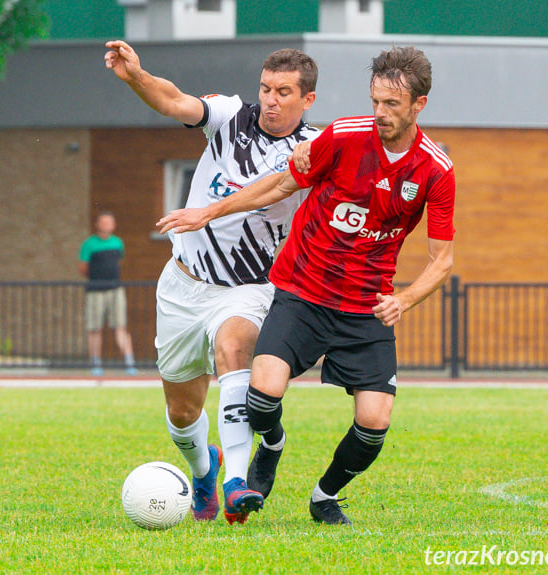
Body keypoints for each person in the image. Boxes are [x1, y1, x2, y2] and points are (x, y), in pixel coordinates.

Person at [158, 46, 455, 525]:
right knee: (262, 393)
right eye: (375, 100)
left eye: (392, 105)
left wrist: (403, 299)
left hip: (365, 306)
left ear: (418, 105)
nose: (379, 112)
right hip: (301, 292)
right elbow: (280, 185)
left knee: (376, 421)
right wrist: (207, 213)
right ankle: (270, 445)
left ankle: (324, 496)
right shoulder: (342, 136)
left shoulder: (435, 170)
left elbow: (443, 260)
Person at [104, 40, 320, 524]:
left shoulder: (313, 150)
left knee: (234, 352)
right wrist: (138, 76)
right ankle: (205, 468)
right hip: (183, 283)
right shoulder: (229, 117)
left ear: (306, 100)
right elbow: (174, 100)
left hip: (247, 287)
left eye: (284, 91)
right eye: (265, 88)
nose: (270, 99)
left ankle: (236, 483)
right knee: (182, 413)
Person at [78, 211, 137, 376]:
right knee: (94, 328)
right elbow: (83, 267)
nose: (106, 226)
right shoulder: (89, 244)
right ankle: (95, 362)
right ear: (97, 225)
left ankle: (129, 361)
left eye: (109, 223)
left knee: (120, 326)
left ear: (114, 225)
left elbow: (119, 262)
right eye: (103, 223)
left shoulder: (118, 243)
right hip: (95, 290)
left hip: (115, 289)